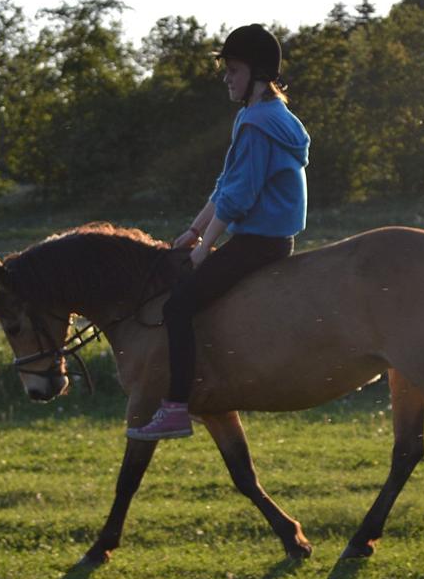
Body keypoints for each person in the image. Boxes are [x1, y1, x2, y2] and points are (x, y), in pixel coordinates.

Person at [127, 24, 310, 441]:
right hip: (265, 238)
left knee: (176, 307)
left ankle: (174, 408)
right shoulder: (266, 116)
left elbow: (238, 198)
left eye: (233, 69)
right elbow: (225, 184)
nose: (226, 78)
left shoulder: (257, 123)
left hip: (256, 243)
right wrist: (193, 230)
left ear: (258, 75)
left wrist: (204, 248)